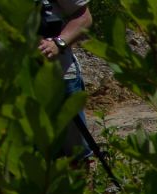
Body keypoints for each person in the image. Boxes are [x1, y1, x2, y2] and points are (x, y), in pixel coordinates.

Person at [37, 0, 95, 161]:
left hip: (60, 75)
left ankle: (84, 185)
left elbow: (84, 17)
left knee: (76, 156)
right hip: (13, 83)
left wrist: (58, 43)